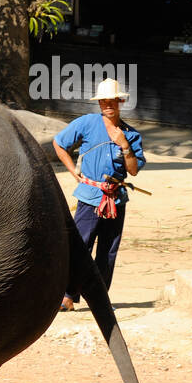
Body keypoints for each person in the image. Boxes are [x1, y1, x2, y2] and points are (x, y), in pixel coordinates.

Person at [53, 78, 146, 312]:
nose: (108, 105)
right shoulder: (87, 123)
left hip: (116, 199)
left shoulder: (131, 135)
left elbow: (133, 170)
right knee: (80, 245)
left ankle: (99, 300)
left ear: (120, 101)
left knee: (108, 250)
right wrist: (72, 169)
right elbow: (59, 143)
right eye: (103, 101)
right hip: (90, 196)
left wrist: (124, 145)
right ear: (99, 103)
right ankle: (67, 295)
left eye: (112, 100)